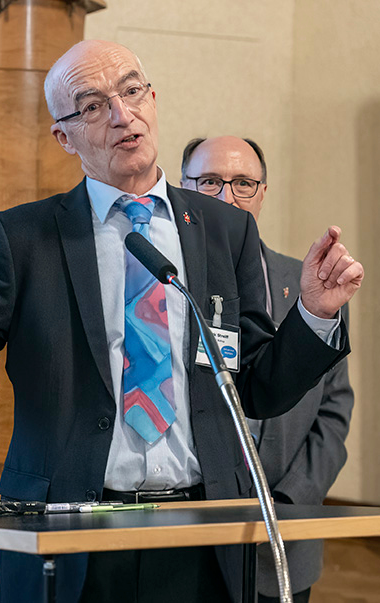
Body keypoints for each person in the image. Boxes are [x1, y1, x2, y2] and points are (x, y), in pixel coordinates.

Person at [0, 40, 363, 603]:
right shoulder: (23, 238)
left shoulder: (223, 231)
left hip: (203, 530)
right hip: (69, 532)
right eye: (92, 105)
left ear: (153, 98)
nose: (122, 114)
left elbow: (257, 389)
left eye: (132, 90)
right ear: (63, 137)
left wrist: (314, 312)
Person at [180, 135, 354, 603]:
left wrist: (292, 499)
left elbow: (334, 409)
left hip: (285, 541)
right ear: (182, 190)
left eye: (242, 183)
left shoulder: (307, 284)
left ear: (262, 193)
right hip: (190, 536)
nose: (226, 196)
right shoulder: (167, 282)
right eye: (210, 181)